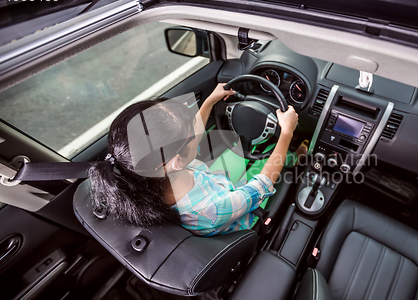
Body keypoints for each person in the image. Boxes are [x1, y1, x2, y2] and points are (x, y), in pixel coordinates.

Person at [89, 83, 302, 236]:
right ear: (177, 162)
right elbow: (262, 184)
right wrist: (286, 133)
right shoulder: (212, 210)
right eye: (191, 130)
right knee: (264, 167)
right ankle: (297, 156)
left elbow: (187, 139)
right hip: (238, 214)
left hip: (213, 185)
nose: (195, 128)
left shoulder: (153, 172)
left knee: (247, 156)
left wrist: (210, 100)